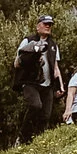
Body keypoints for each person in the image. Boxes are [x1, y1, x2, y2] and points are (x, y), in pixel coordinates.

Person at [14, 16, 64, 144]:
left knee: (46, 115)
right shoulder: (28, 40)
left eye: (50, 25)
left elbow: (56, 67)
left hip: (47, 84)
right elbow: (16, 63)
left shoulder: (53, 45)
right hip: (30, 82)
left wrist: (60, 86)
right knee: (35, 106)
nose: (48, 26)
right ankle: (22, 137)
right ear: (38, 26)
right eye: (45, 24)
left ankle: (40, 141)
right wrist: (32, 56)